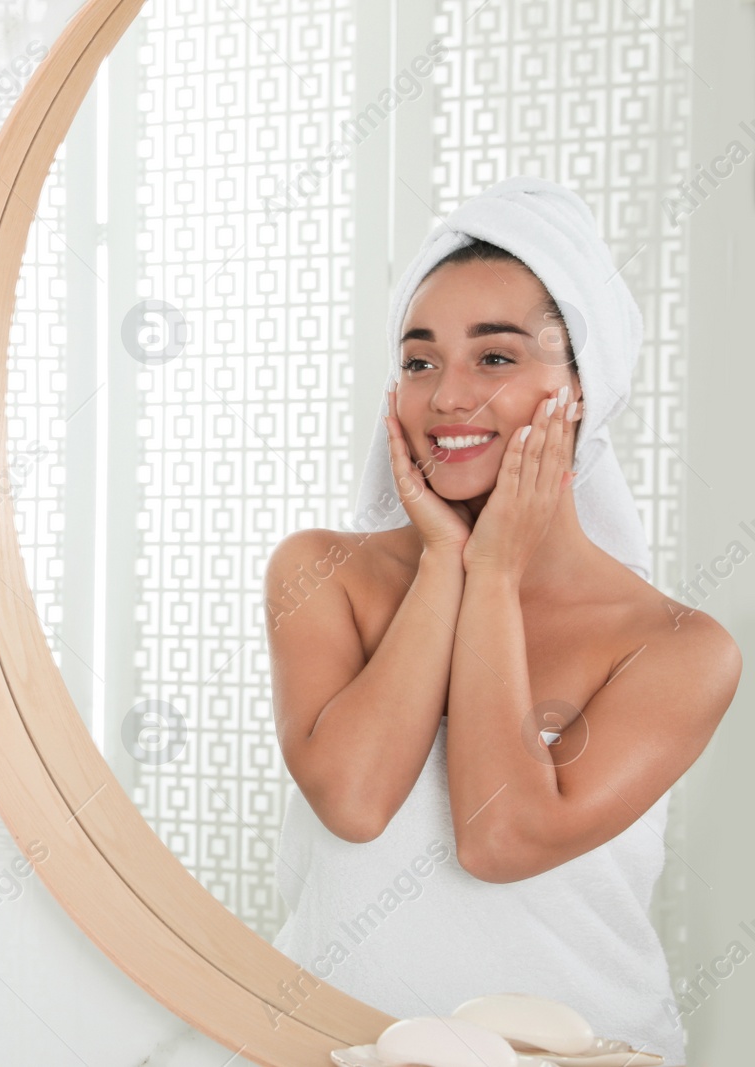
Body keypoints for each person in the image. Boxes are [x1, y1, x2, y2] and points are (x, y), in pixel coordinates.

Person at [262, 178, 740, 1066]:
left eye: (495, 358)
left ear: (582, 390)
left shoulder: (676, 647)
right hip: (324, 1046)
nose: (447, 397)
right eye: (417, 360)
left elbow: (500, 834)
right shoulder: (320, 572)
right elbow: (357, 801)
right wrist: (447, 559)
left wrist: (493, 572)